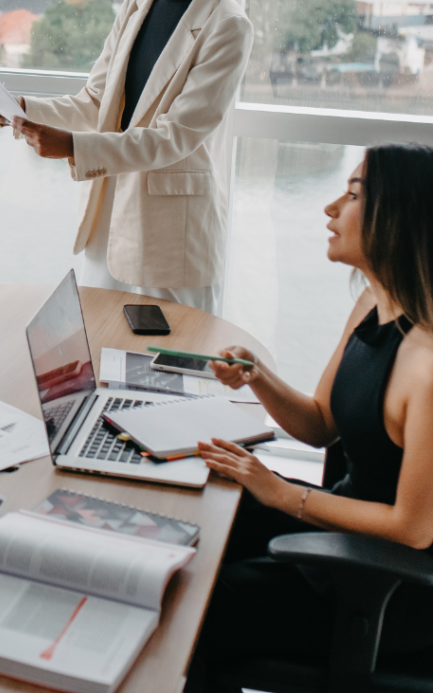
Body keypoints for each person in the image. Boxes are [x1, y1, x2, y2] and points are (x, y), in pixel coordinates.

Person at [188, 144, 433, 688]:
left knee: (189, 609)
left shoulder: (428, 368)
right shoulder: (373, 302)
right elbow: (320, 421)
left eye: (351, 195)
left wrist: (280, 494)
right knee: (194, 520)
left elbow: (414, 529)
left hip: (384, 587)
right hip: (339, 525)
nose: (330, 209)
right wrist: (259, 377)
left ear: (398, 214)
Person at [0, 0, 252, 312]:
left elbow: (174, 137)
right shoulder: (137, 2)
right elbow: (95, 102)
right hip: (109, 220)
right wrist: (24, 109)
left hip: (174, 236)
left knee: (171, 372)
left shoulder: (228, 25)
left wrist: (70, 146)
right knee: (99, 352)